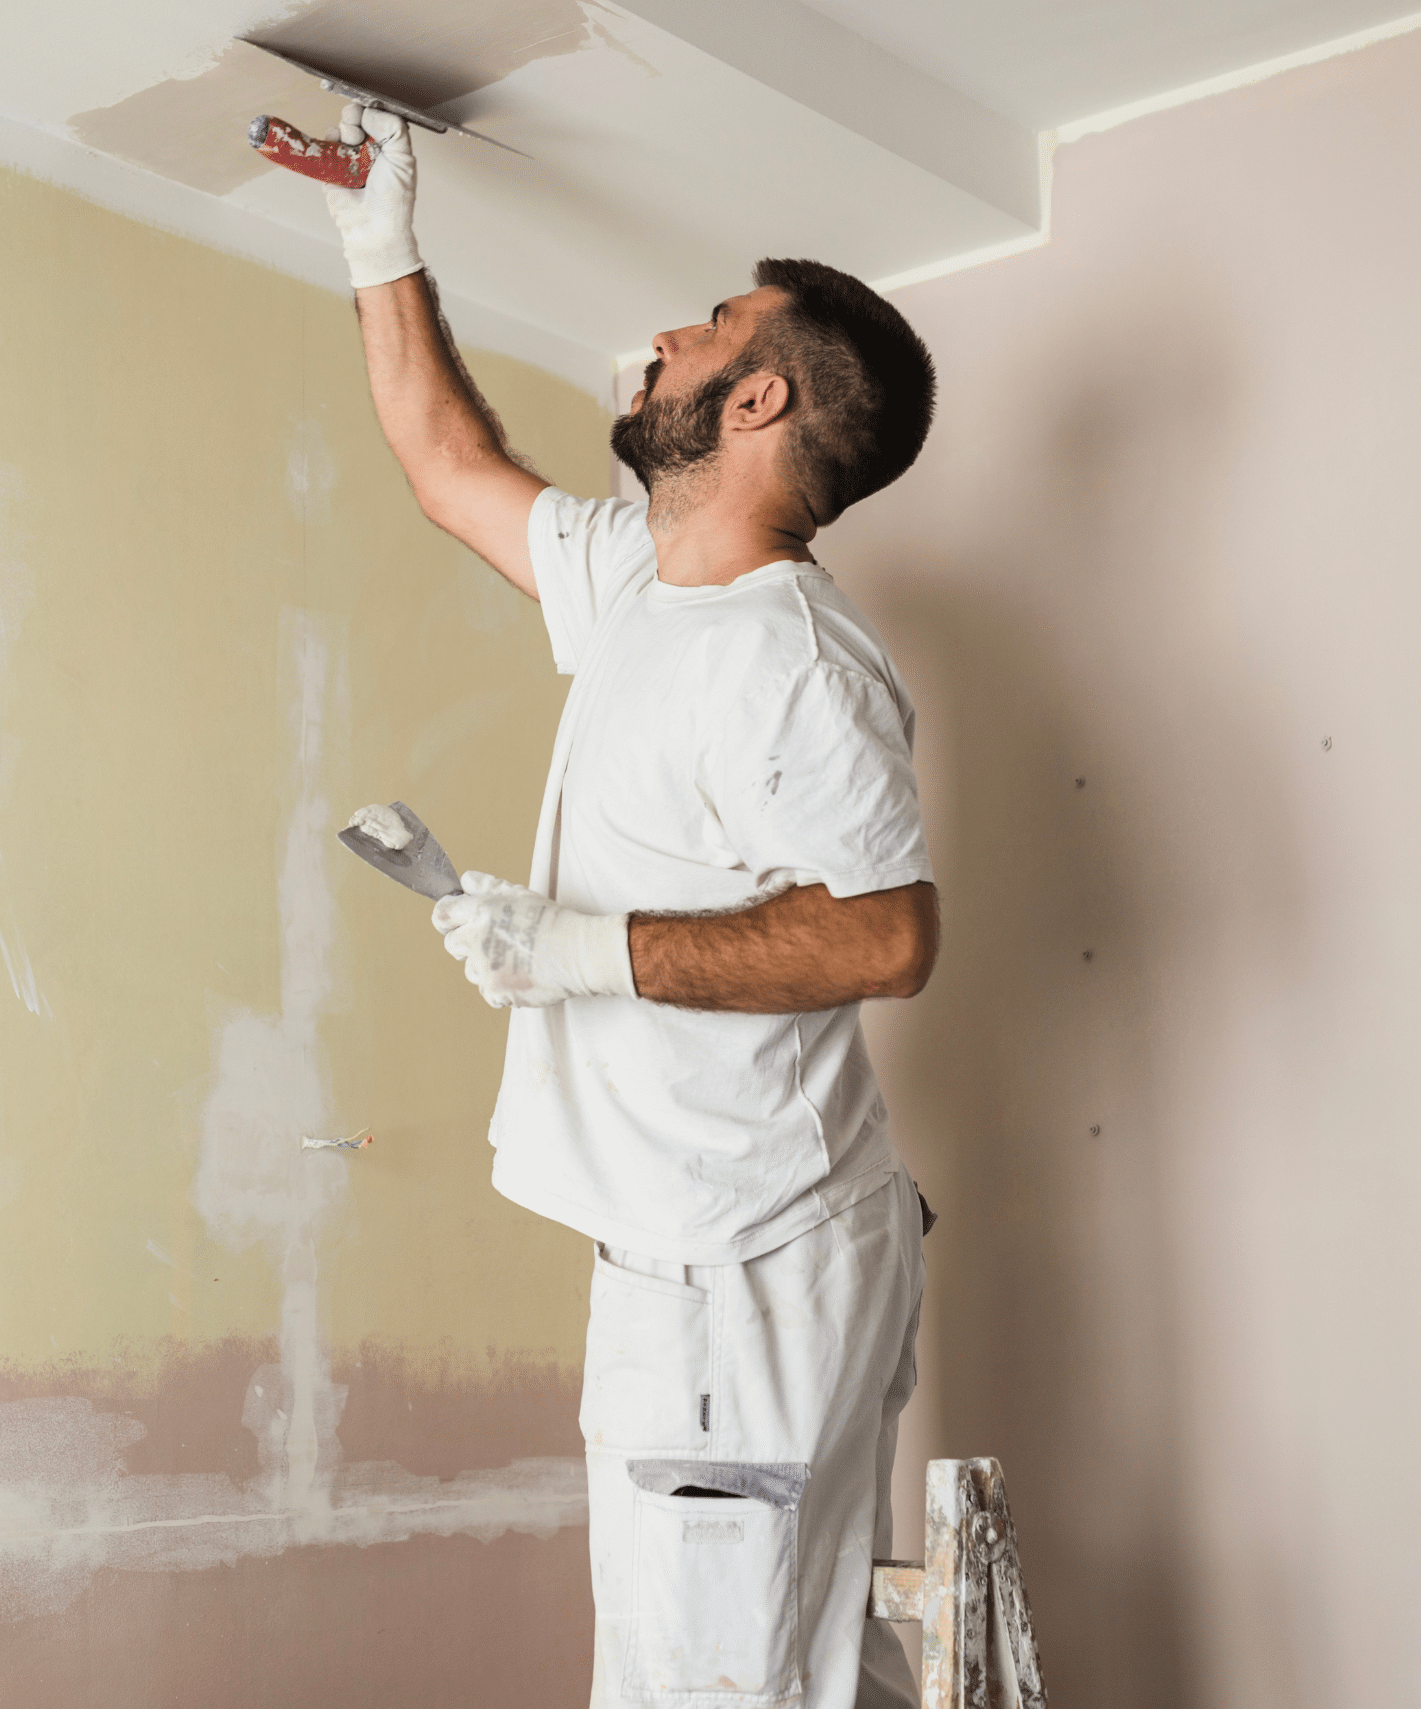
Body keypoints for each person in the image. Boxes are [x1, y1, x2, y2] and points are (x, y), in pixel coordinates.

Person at [328, 103, 941, 1709]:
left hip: (746, 1266)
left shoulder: (794, 658)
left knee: (727, 1685)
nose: (664, 339)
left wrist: (579, 951)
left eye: (712, 327)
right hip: (676, 1251)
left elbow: (889, 935)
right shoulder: (638, 592)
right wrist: (380, 239)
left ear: (757, 398)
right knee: (725, 1670)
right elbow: (446, 463)